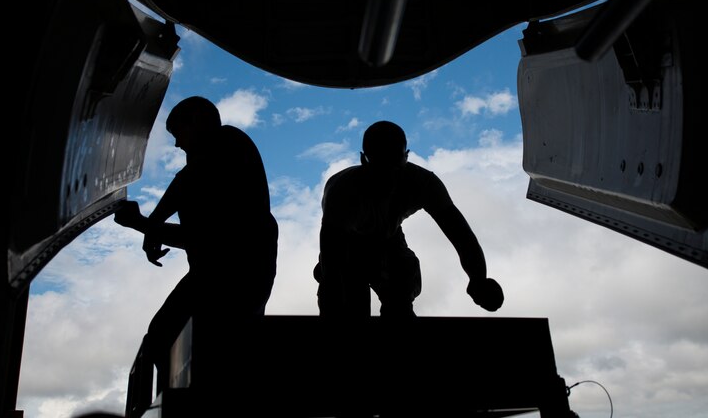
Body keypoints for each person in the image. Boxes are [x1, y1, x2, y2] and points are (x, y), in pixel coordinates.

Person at [114, 96, 278, 393]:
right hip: (219, 276)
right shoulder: (213, 160)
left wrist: (143, 225)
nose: (177, 145)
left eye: (179, 134)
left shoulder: (229, 145)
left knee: (170, 340)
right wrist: (152, 225)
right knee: (167, 339)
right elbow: (185, 182)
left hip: (230, 280)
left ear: (199, 123)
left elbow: (203, 238)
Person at [314, 120, 503, 318]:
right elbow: (332, 255)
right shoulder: (343, 191)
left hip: (389, 238)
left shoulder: (423, 183)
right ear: (364, 160)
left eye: (394, 163)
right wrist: (333, 297)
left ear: (406, 156)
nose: (388, 175)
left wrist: (478, 278)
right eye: (380, 166)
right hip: (349, 245)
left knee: (400, 288)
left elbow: (461, 234)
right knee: (347, 301)